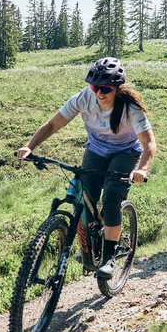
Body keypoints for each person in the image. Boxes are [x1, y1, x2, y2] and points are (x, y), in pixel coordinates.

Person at [17, 57, 156, 278]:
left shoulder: (130, 109)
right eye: (94, 87)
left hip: (125, 152)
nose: (99, 93)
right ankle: (90, 245)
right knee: (85, 195)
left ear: (117, 89)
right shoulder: (84, 98)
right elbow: (54, 124)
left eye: (105, 88)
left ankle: (109, 256)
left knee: (111, 197)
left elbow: (149, 143)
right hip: (97, 150)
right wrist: (29, 146)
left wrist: (142, 169)